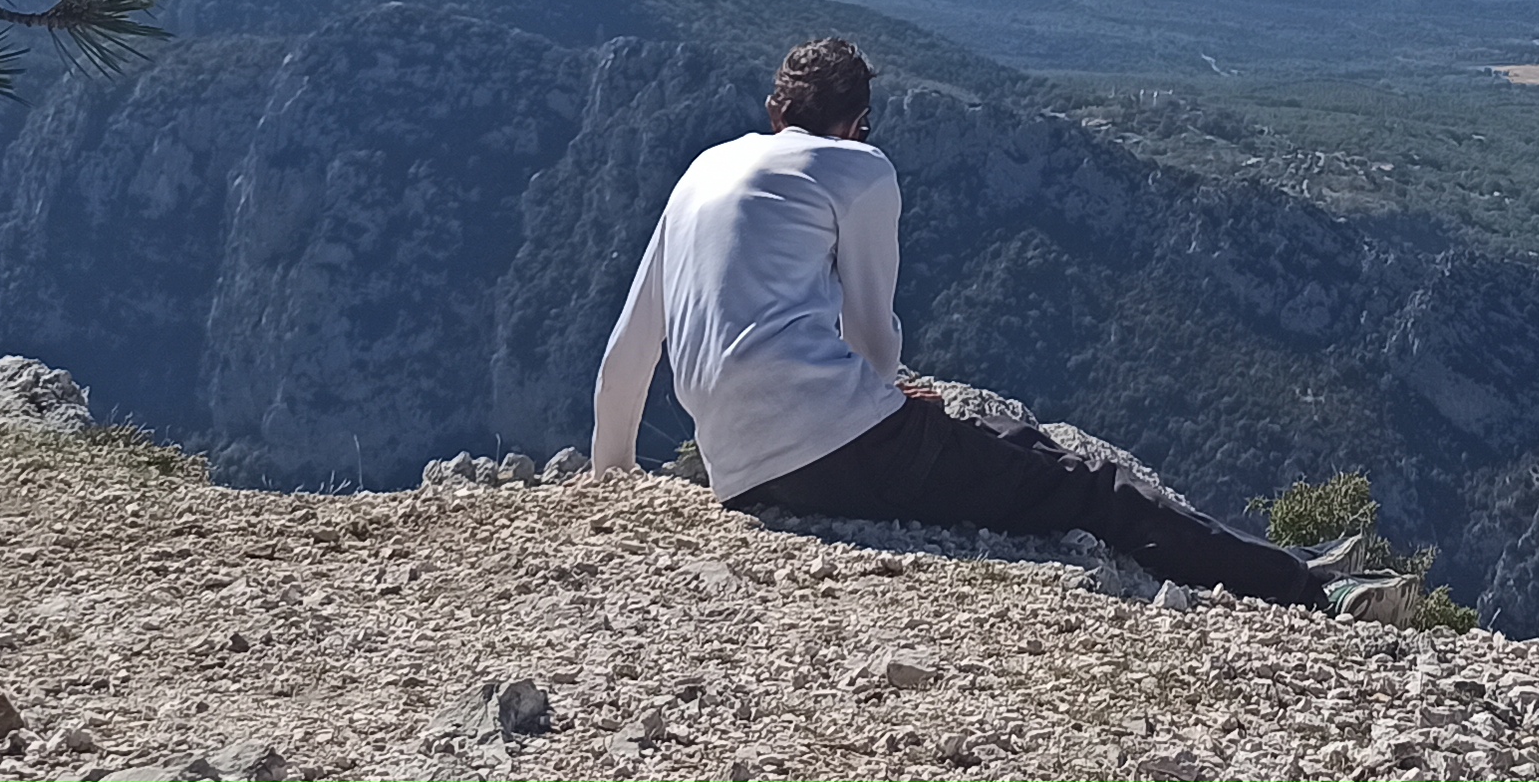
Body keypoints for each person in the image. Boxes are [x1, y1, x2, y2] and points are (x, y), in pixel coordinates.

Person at [590, 36, 1397, 615]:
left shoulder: (700, 172)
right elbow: (874, 333)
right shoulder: (856, 167)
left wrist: (612, 485)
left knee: (1002, 438)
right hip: (834, 444)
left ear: (776, 108)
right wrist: (895, 404)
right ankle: (1314, 591)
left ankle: (1287, 565)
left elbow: (629, 353)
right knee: (1089, 484)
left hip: (738, 471)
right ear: (859, 120)